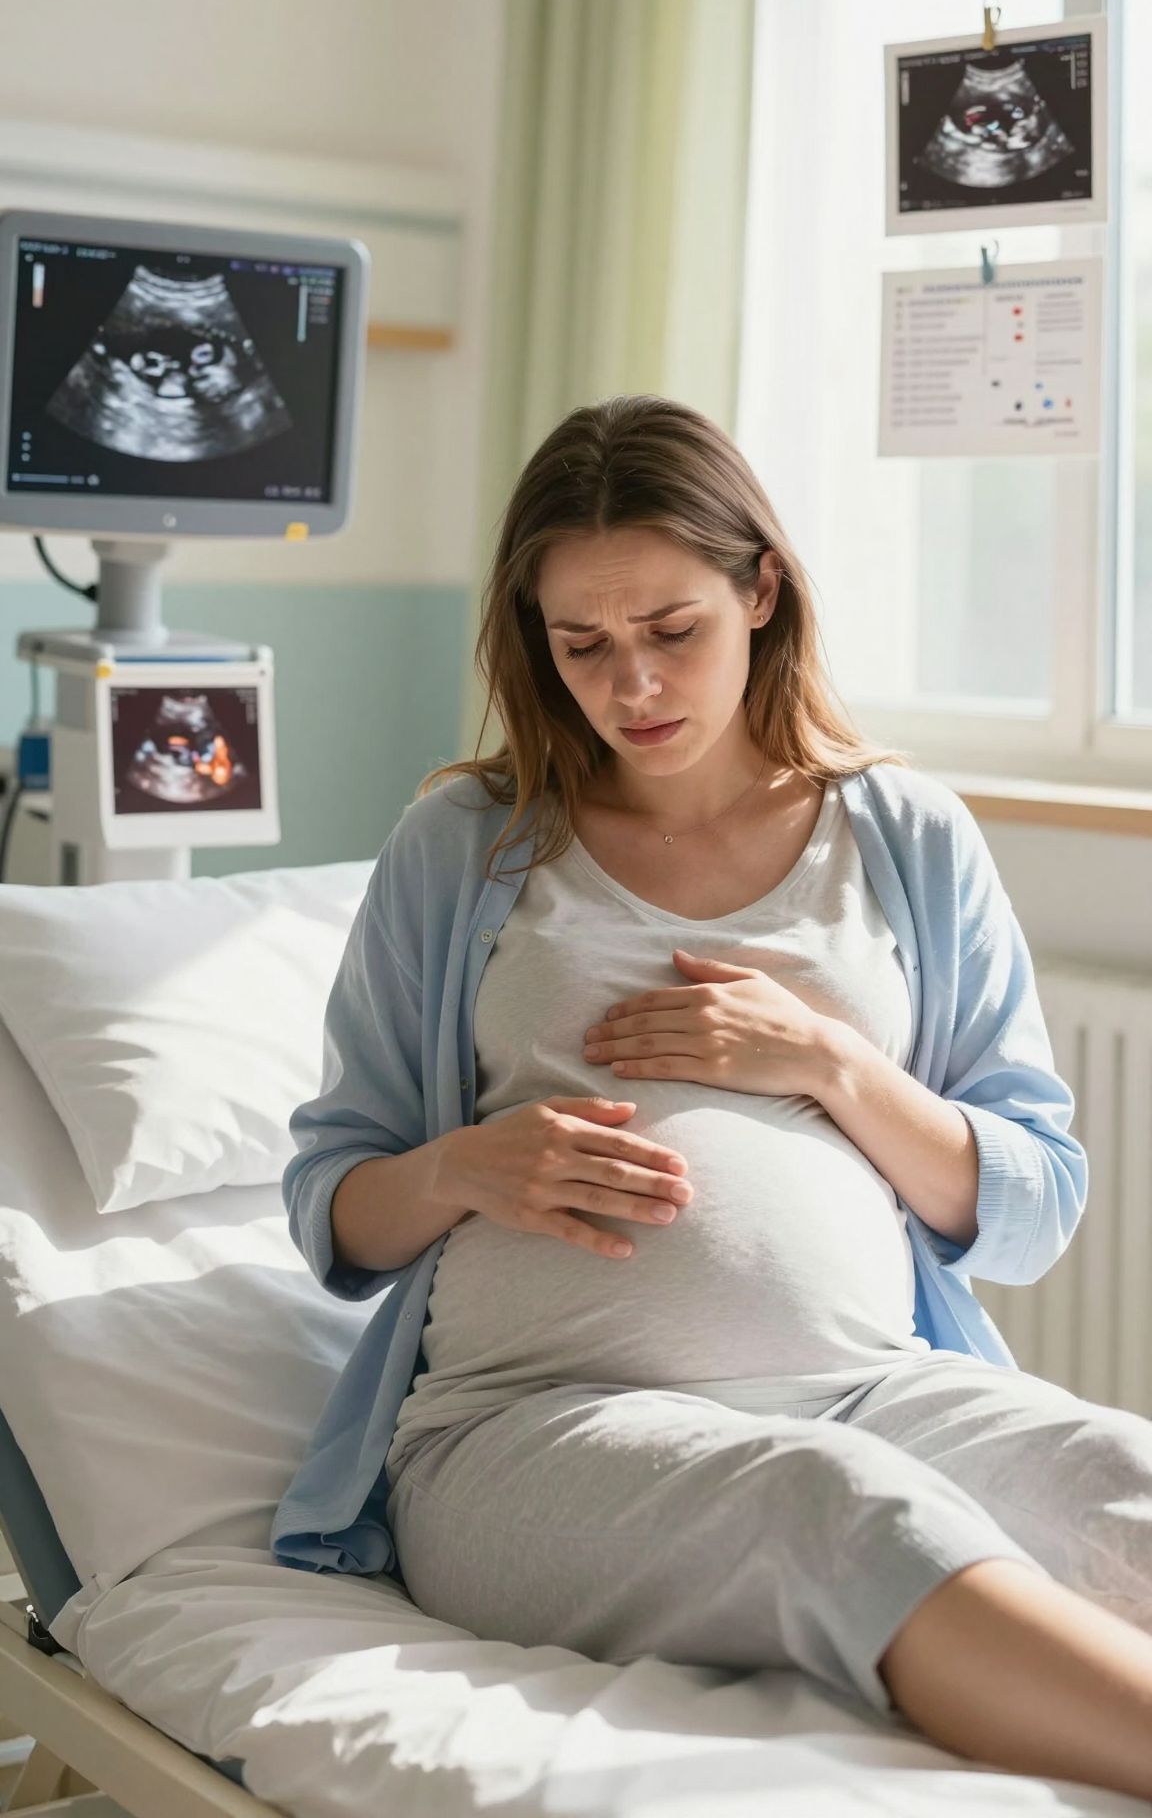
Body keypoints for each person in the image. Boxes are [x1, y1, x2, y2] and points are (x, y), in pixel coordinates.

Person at [275, 396, 1152, 1801]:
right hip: (527, 1432)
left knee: (1126, 1477)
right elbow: (335, 1205)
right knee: (833, 1513)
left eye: (672, 631)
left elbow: (1032, 1206)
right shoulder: (466, 843)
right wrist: (462, 1169)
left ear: (759, 589)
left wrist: (830, 1065)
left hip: (874, 1385)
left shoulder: (904, 834)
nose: (632, 687)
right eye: (584, 646)